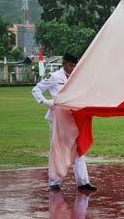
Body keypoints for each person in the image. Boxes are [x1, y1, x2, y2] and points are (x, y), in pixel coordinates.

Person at [32, 53, 97, 191]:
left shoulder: (77, 78)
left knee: (78, 148)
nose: (73, 68)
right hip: (57, 118)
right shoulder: (55, 77)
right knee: (58, 149)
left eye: (75, 65)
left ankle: (83, 182)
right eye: (71, 65)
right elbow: (36, 89)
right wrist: (47, 102)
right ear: (64, 64)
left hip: (74, 118)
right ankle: (54, 181)